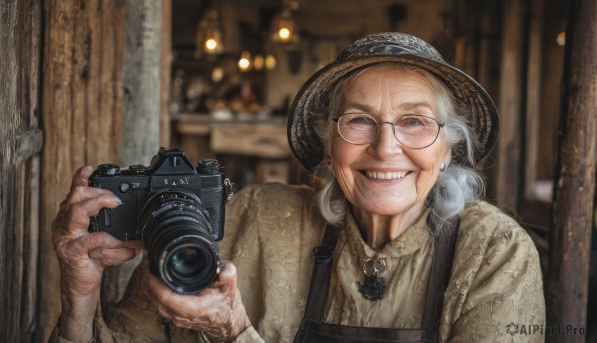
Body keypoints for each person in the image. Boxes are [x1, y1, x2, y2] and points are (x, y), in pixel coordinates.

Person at [50, 32, 545, 343]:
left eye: (414, 122)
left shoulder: (494, 253)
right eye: (358, 121)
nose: (386, 147)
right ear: (329, 147)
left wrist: (233, 334)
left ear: (448, 148)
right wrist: (80, 292)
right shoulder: (245, 219)